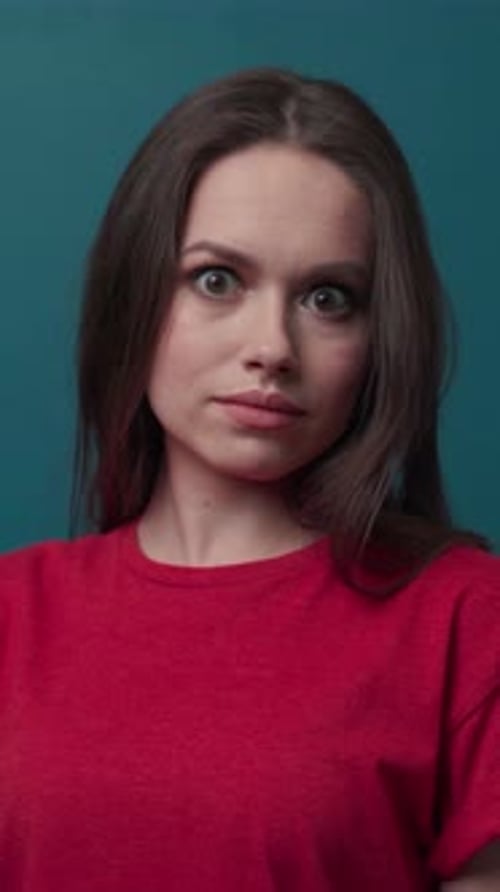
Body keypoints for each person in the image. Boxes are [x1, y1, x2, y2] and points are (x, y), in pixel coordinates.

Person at [0, 67, 499, 892]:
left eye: (328, 298)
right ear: (134, 297)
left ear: (381, 337)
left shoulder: (465, 621)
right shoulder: (12, 614)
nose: (271, 347)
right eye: (217, 280)